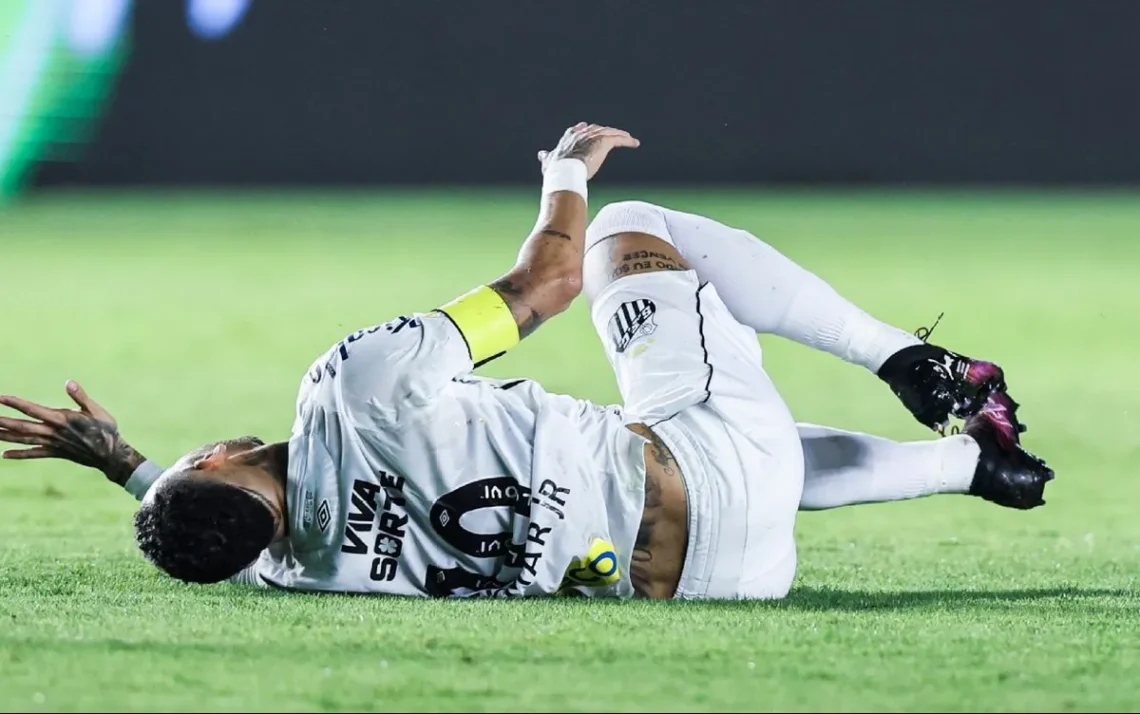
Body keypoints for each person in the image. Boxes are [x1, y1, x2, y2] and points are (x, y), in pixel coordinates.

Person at [0, 123, 1054, 601]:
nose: (199, 451)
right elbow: (546, 287)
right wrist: (564, 174)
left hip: (725, 586)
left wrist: (129, 468)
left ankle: (978, 467)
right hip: (714, 460)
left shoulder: (294, 568)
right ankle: (915, 364)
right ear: (223, 465)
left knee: (722, 462)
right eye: (196, 462)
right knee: (634, 229)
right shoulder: (348, 388)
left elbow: (215, 535)